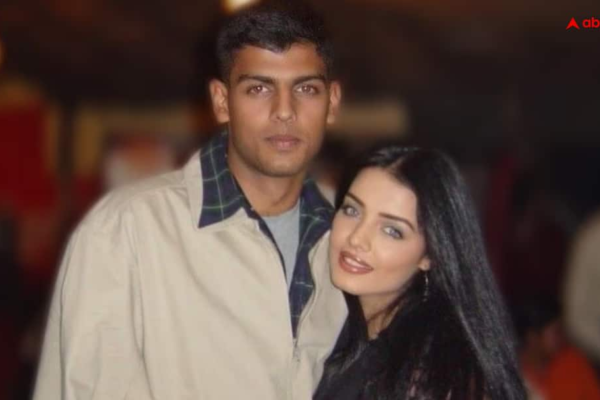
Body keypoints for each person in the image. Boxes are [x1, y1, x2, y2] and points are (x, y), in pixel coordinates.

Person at [33, 3, 345, 400]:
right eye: (259, 88)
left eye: (306, 89)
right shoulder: (128, 230)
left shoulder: (354, 235)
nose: (284, 111)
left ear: (332, 102)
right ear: (221, 101)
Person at [314, 146, 526, 400]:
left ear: (430, 256)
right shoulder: (342, 329)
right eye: (352, 210)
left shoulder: (434, 372)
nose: (357, 238)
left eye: (392, 230)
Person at [513, 297, 600, 400]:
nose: (563, 337)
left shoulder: (572, 362)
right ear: (533, 338)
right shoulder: (513, 375)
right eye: (556, 332)